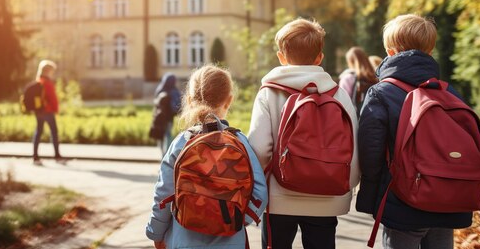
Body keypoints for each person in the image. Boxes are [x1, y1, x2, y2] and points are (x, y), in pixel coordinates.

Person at [356, 14, 472, 249]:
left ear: (390, 52)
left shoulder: (381, 93)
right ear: (430, 51)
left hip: (403, 199)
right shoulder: (450, 94)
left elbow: (371, 152)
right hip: (446, 197)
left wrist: (370, 195)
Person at [248, 18, 359, 249]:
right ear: (320, 57)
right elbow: (354, 147)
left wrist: (260, 187)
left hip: (279, 198)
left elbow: (259, 147)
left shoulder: (269, 93)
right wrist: (347, 186)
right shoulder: (337, 95)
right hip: (327, 196)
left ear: (281, 57)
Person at [146, 65, 267, 249]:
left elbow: (163, 194)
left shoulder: (181, 143)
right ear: (229, 101)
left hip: (183, 240)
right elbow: (260, 192)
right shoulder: (239, 141)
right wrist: (237, 220)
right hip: (231, 243)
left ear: (188, 99)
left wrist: (156, 233)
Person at [32, 59, 63, 165]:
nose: (52, 73)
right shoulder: (47, 83)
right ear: (48, 71)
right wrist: (56, 109)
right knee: (54, 132)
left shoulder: (38, 81)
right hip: (48, 111)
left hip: (39, 111)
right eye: (51, 71)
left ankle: (35, 157)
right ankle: (57, 156)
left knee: (38, 132)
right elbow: (52, 98)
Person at [338, 46, 378, 115]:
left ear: (350, 62)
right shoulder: (375, 77)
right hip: (373, 117)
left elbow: (342, 103)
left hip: (355, 120)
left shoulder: (347, 78)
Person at [150, 73, 182, 156]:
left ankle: (163, 154)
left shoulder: (160, 89)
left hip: (159, 118)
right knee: (168, 135)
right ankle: (166, 155)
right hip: (168, 118)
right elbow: (177, 106)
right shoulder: (174, 91)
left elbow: (155, 103)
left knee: (160, 135)